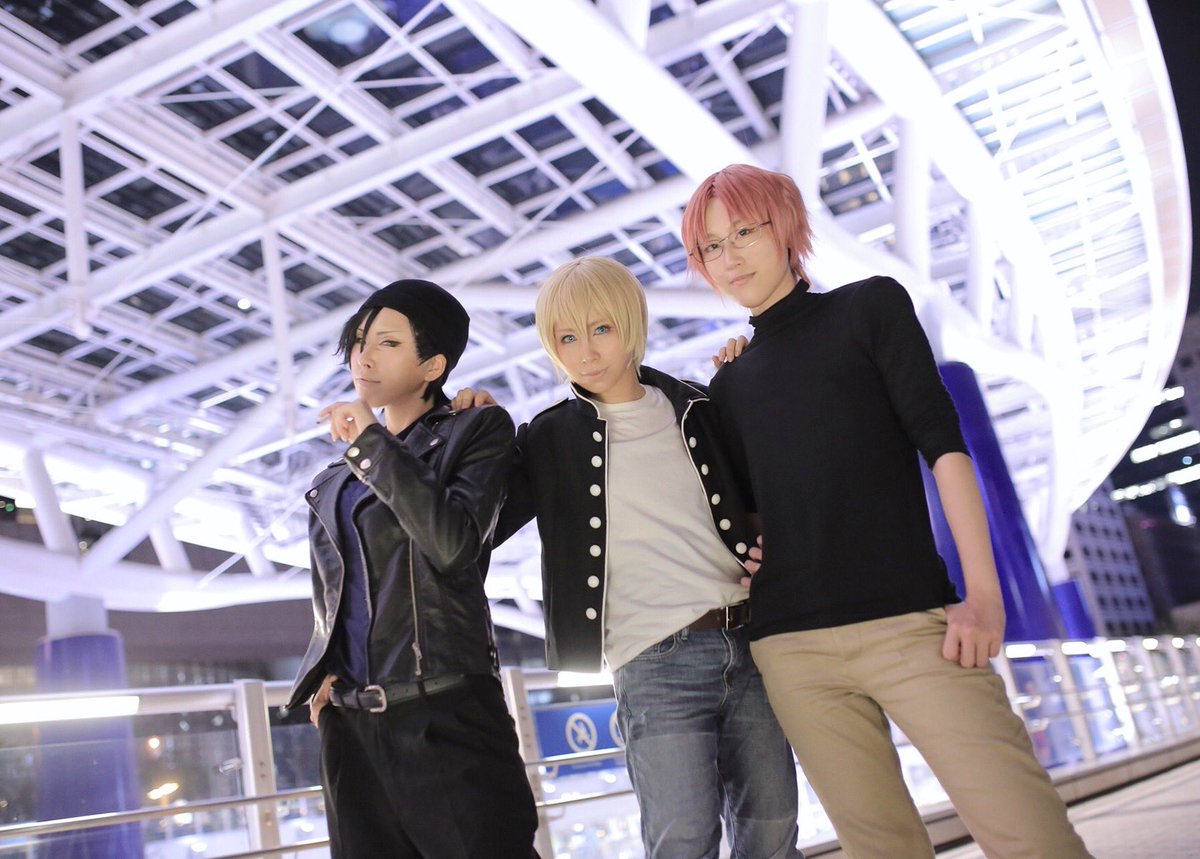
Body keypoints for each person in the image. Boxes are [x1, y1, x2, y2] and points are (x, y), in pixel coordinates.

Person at [680, 164, 1092, 859]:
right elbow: (755, 514)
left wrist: (984, 595)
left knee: (1032, 836)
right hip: (792, 652)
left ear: (786, 225)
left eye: (744, 232)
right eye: (711, 247)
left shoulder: (869, 308)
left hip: (914, 627)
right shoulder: (727, 385)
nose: (730, 257)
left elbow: (945, 448)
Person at [455, 256, 802, 859]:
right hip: (652, 660)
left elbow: (769, 488)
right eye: (567, 337)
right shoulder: (547, 438)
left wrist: (747, 374)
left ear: (631, 324)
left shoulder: (699, 406)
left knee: (773, 834)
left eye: (601, 329)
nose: (586, 351)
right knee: (682, 842)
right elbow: (470, 535)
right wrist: (472, 435)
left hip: (750, 644)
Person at [286, 278, 539, 859]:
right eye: (359, 341)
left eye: (388, 343)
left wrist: (374, 443)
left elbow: (452, 545)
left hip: (445, 712)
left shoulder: (476, 430)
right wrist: (324, 677)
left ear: (433, 366)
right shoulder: (335, 480)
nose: (364, 357)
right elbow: (340, 592)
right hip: (352, 729)